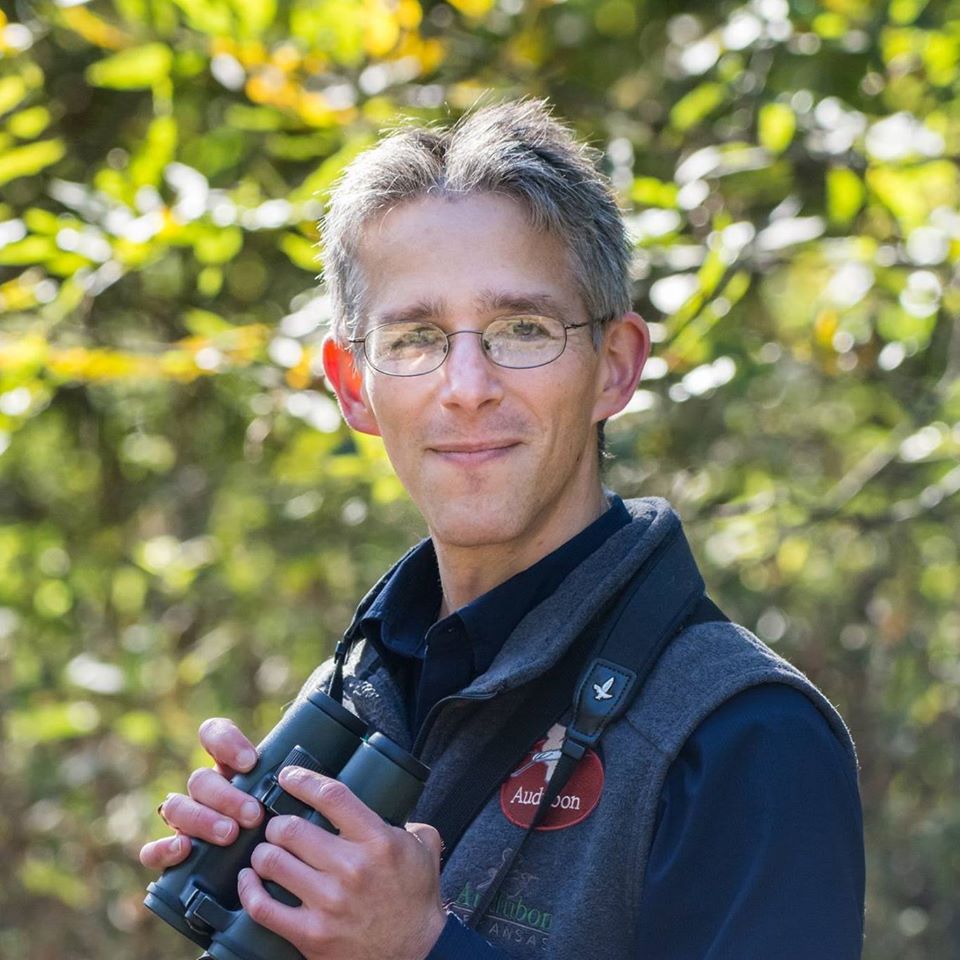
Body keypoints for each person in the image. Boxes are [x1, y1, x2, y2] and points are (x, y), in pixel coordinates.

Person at [140, 100, 865, 959]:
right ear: (352, 387)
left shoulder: (747, 737)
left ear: (616, 366)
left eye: (524, 329)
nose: (467, 385)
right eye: (415, 337)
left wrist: (420, 946)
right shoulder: (359, 688)